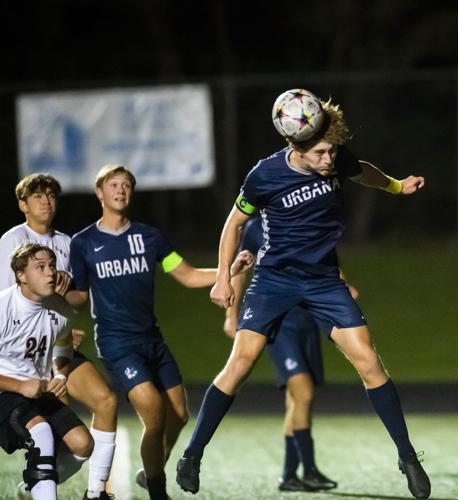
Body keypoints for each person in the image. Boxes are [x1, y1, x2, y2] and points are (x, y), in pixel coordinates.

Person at [176, 90, 431, 500]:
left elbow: (361, 169)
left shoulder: (336, 160)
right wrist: (223, 278)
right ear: (296, 145)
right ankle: (193, 454)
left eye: (332, 150)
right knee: (240, 363)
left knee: (368, 359)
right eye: (319, 153)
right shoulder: (264, 175)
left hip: (324, 280)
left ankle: (407, 456)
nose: (328, 159)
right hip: (274, 279)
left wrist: (397, 186)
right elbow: (233, 225)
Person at [65, 164, 253, 500]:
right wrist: (53, 304)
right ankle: (157, 491)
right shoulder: (83, 243)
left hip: (152, 340)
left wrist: (228, 270)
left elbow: (188, 275)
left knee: (178, 415)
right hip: (117, 343)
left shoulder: (150, 238)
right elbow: (78, 295)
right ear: (100, 193)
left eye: (126, 185)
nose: (120, 190)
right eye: (113, 185)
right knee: (153, 410)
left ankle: (151, 468)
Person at [0, 173, 118, 500]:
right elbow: (16, 301)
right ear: (23, 204)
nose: (46, 200)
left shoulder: (68, 244)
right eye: (38, 195)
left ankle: (83, 490)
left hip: (46, 352)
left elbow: (77, 299)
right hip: (11, 361)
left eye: (52, 194)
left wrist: (60, 365)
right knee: (43, 431)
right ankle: (40, 470)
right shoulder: (10, 244)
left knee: (94, 419)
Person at [224, 216, 361, 492]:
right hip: (278, 322)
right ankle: (307, 469)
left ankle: (291, 474)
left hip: (308, 320)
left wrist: (343, 287)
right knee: (303, 390)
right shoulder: (254, 228)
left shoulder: (307, 216)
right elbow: (239, 271)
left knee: (298, 400)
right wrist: (231, 315)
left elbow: (322, 261)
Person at [0, 242, 94, 500]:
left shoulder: (61, 309)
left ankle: (34, 488)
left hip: (37, 394)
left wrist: (60, 375)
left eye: (52, 265)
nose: (51, 273)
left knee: (83, 445)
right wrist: (19, 386)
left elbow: (63, 346)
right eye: (40, 267)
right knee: (41, 433)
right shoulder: (3, 307)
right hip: (4, 392)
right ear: (21, 276)